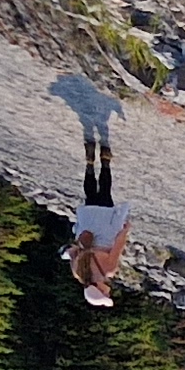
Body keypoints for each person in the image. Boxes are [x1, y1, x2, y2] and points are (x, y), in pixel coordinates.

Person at [68, 121, 130, 307]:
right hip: (87, 225)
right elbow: (72, 251)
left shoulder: (108, 271)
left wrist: (126, 229)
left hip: (105, 228)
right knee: (90, 195)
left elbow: (118, 245)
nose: (109, 292)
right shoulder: (78, 273)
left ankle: (105, 161)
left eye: (106, 294)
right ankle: (89, 164)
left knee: (105, 192)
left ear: (101, 290)